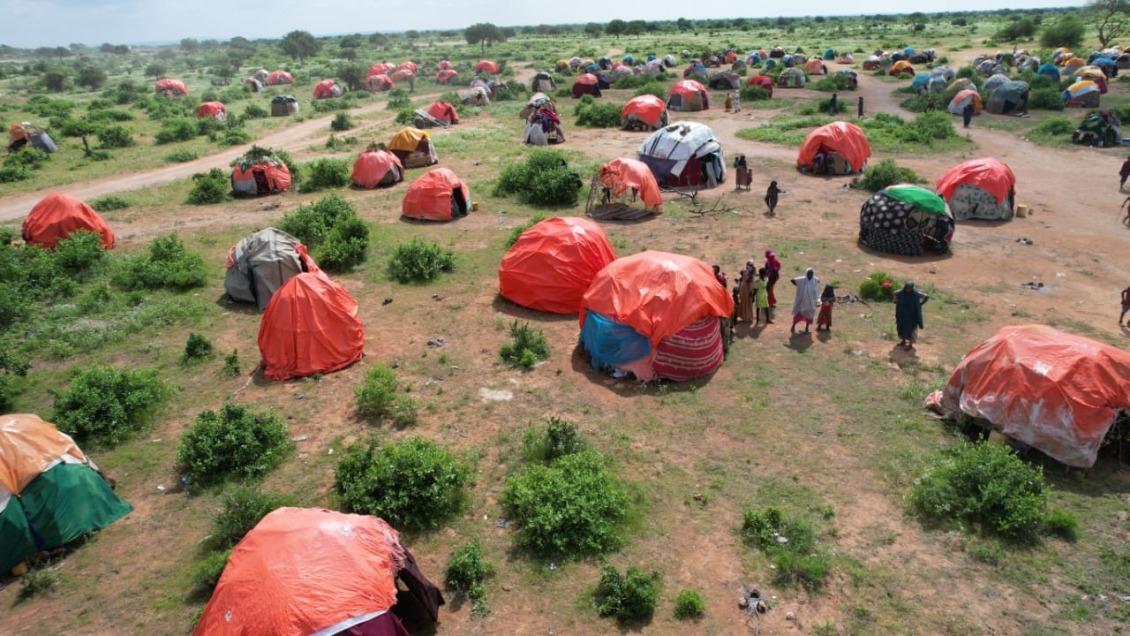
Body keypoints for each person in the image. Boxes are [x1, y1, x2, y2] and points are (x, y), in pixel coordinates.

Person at [895, 281, 929, 349]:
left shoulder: (916, 293)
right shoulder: (901, 292)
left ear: (912, 288)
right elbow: (894, 293)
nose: (908, 289)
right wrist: (895, 300)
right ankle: (903, 341)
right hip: (902, 314)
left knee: (911, 330)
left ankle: (910, 345)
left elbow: (926, 296)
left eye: (909, 288)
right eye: (907, 288)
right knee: (901, 328)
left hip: (912, 315)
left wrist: (921, 304)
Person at [790, 268, 820, 335]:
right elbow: (792, 280)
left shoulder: (815, 280)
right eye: (809, 273)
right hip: (802, 301)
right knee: (798, 314)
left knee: (809, 316)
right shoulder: (802, 279)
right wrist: (798, 286)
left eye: (811, 274)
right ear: (806, 274)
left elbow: (818, 281)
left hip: (810, 303)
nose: (810, 275)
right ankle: (793, 326)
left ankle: (806, 329)